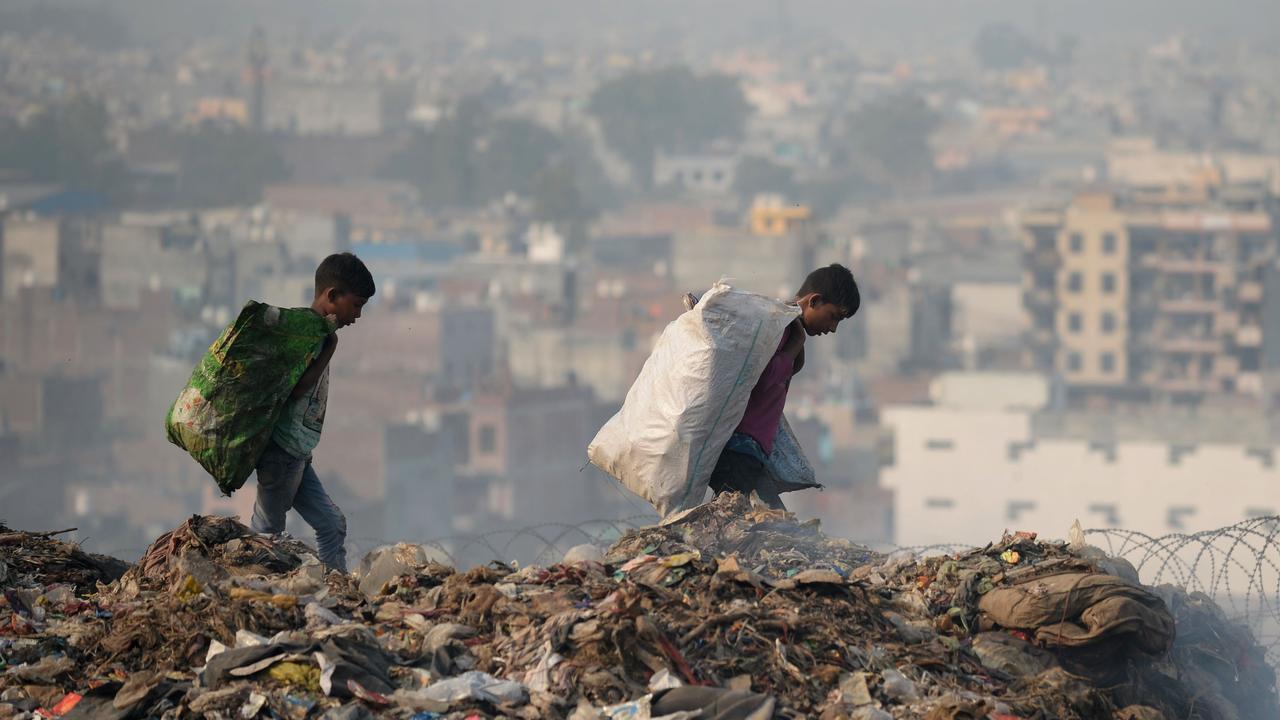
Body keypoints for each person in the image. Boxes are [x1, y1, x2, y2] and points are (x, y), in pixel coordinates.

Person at [250, 252, 375, 572]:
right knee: (267, 536)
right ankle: (253, 584)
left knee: (332, 525)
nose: (358, 315)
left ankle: (338, 586)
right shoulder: (307, 333)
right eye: (356, 304)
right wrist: (329, 347)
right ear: (332, 296)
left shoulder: (317, 333)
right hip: (280, 453)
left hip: (298, 453)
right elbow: (297, 388)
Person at [708, 264, 860, 510]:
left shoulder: (787, 328)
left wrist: (797, 349)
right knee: (742, 522)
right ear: (814, 301)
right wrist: (795, 345)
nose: (832, 328)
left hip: (752, 451)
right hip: (738, 447)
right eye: (833, 317)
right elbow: (760, 379)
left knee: (765, 522)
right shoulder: (778, 326)